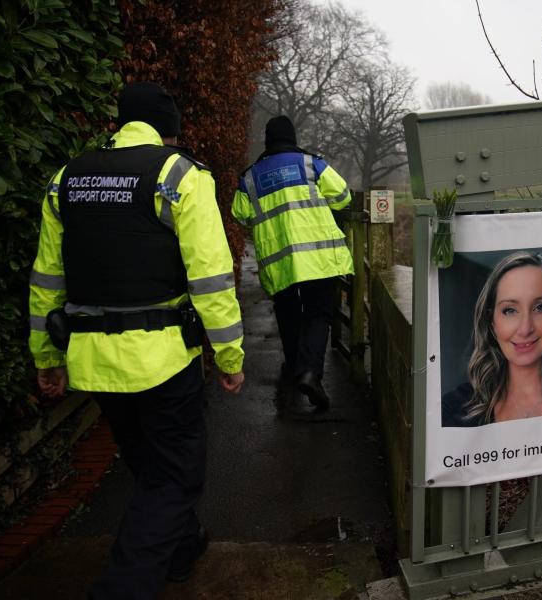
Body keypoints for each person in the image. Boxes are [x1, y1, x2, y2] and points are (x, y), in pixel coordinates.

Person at [28, 81, 245, 598]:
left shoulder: (66, 179)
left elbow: (46, 280)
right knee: (175, 476)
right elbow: (211, 278)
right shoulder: (179, 175)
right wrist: (229, 355)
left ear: (119, 124)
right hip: (164, 361)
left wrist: (46, 355)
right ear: (169, 131)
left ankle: (183, 548)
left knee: (151, 467)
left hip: (91, 360)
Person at [232, 115, 353, 414]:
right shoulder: (312, 165)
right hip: (317, 257)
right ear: (293, 137)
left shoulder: (250, 178)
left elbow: (240, 213)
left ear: (268, 140)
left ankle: (296, 368)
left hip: (279, 262)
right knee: (318, 312)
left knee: (287, 312)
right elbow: (342, 196)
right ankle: (311, 372)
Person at [442, 251, 542, 427]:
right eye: (509, 310)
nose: (525, 328)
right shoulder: (452, 411)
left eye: (540, 307)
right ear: (492, 322)